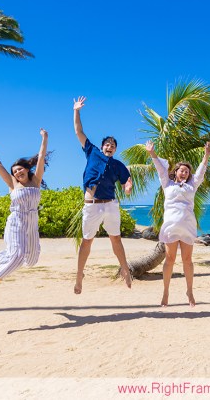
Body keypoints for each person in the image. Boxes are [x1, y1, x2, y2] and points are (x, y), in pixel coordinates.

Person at [0, 128, 48, 307]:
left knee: (31, 260)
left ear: (26, 169)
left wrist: (44, 138)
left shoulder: (36, 181)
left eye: (20, 170)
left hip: (32, 224)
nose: (17, 173)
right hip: (16, 222)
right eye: (14, 171)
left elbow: (41, 157)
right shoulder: (12, 184)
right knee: (17, 255)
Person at [72, 96, 133, 294]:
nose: (110, 146)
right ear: (102, 146)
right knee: (87, 241)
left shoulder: (118, 165)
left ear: (115, 149)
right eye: (107, 144)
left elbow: (127, 180)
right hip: (92, 204)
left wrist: (128, 187)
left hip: (111, 205)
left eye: (113, 145)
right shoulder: (92, 152)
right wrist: (77, 110)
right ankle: (79, 275)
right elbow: (79, 131)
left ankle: (125, 268)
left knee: (116, 239)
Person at [146, 140, 210, 307]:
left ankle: (189, 291)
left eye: (187, 171)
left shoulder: (192, 186)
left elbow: (201, 171)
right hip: (170, 226)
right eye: (181, 170)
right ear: (176, 172)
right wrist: (152, 153)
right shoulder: (167, 184)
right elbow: (160, 169)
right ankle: (166, 292)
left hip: (187, 227)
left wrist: (206, 155)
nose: (184, 173)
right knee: (169, 260)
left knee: (187, 261)